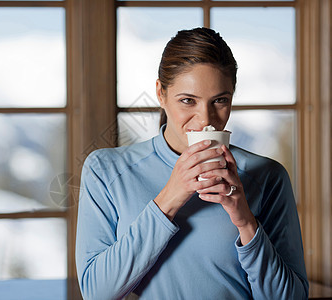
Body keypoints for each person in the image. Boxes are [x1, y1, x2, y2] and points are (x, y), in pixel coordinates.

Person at [75, 27, 309, 299]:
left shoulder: (267, 176)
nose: (204, 120)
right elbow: (96, 293)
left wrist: (245, 222)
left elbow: (291, 296)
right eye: (188, 101)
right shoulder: (106, 170)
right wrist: (170, 197)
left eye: (220, 101)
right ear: (160, 94)